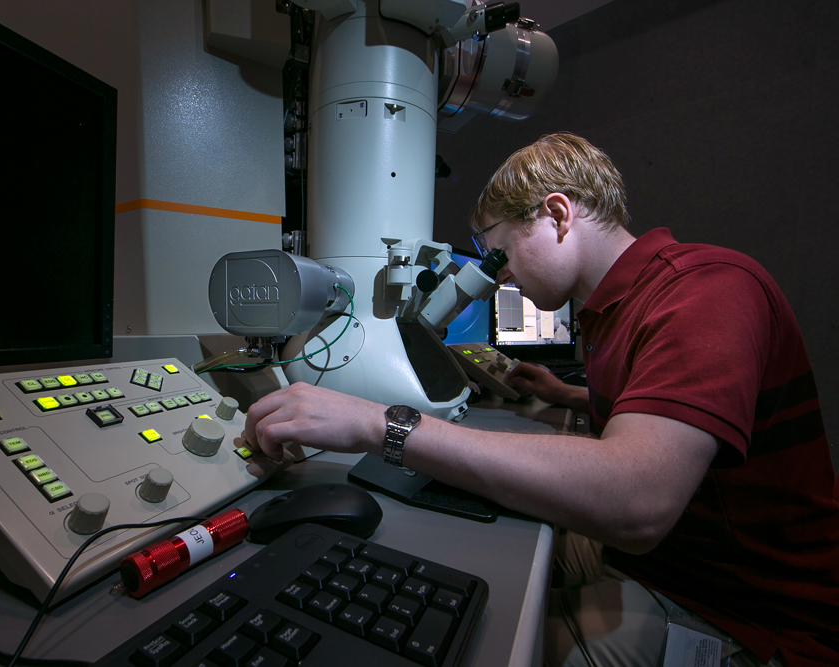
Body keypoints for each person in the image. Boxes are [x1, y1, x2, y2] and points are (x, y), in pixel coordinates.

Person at [242, 132, 839, 666]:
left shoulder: (706, 291)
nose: (497, 277)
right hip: (672, 568)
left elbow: (638, 499)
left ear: (556, 215)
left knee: (497, 641)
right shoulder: (617, 310)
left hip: (749, 619)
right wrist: (569, 394)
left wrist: (384, 425)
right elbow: (661, 410)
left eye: (499, 254)